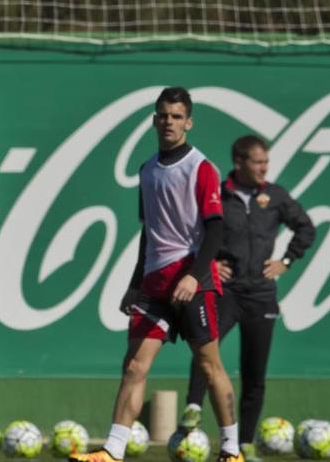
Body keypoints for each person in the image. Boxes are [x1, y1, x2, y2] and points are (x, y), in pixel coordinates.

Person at [69, 87, 243, 462]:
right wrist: (134, 285)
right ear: (154, 120)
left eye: (177, 116)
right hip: (153, 284)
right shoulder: (147, 169)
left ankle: (231, 449)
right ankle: (113, 449)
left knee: (210, 365)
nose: (169, 122)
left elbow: (215, 230)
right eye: (163, 115)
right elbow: (150, 232)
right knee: (134, 365)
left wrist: (195, 276)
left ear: (189, 122)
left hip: (191, 280)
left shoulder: (201, 167)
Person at [179, 135, 315, 462]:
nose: (263, 168)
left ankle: (245, 444)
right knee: (206, 348)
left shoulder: (275, 195)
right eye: (257, 162)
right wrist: (210, 263)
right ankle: (194, 408)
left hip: (261, 295)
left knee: (254, 373)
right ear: (239, 162)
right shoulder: (219, 195)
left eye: (266, 162)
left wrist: (287, 261)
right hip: (226, 292)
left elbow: (306, 228)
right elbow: (193, 232)